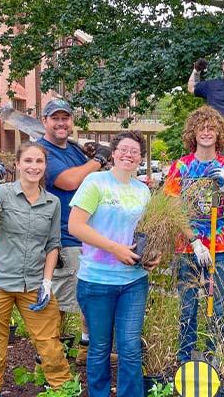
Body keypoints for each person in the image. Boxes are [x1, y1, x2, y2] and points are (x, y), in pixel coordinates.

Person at [0, 142, 71, 394]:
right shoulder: (0, 193)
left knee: (50, 345)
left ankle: (63, 390)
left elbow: (53, 244)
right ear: (17, 164)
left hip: (34, 283)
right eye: (28, 161)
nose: (33, 166)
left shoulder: (52, 203)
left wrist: (47, 283)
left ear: (45, 166)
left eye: (39, 161)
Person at [68, 130, 160, 396]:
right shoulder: (96, 182)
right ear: (114, 153)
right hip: (97, 281)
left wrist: (153, 256)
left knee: (130, 346)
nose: (129, 155)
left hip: (133, 281)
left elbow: (148, 233)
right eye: (124, 149)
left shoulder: (143, 191)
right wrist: (114, 248)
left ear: (140, 158)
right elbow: (75, 226)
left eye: (135, 151)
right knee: (99, 346)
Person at [163, 105, 224, 364]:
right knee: (188, 307)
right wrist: (194, 240)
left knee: (217, 308)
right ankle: (184, 359)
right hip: (189, 248)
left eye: (212, 128)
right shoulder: (181, 167)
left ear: (219, 133)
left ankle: (214, 359)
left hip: (218, 249)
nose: (207, 132)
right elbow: (174, 209)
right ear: (193, 132)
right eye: (202, 128)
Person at [37, 98, 112, 365]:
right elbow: (68, 181)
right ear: (44, 121)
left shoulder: (72, 149)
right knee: (57, 302)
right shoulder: (42, 151)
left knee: (87, 298)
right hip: (62, 235)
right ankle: (48, 356)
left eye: (65, 118)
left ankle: (84, 349)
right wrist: (98, 160)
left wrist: (94, 159)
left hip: (85, 234)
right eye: (54, 118)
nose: (60, 123)